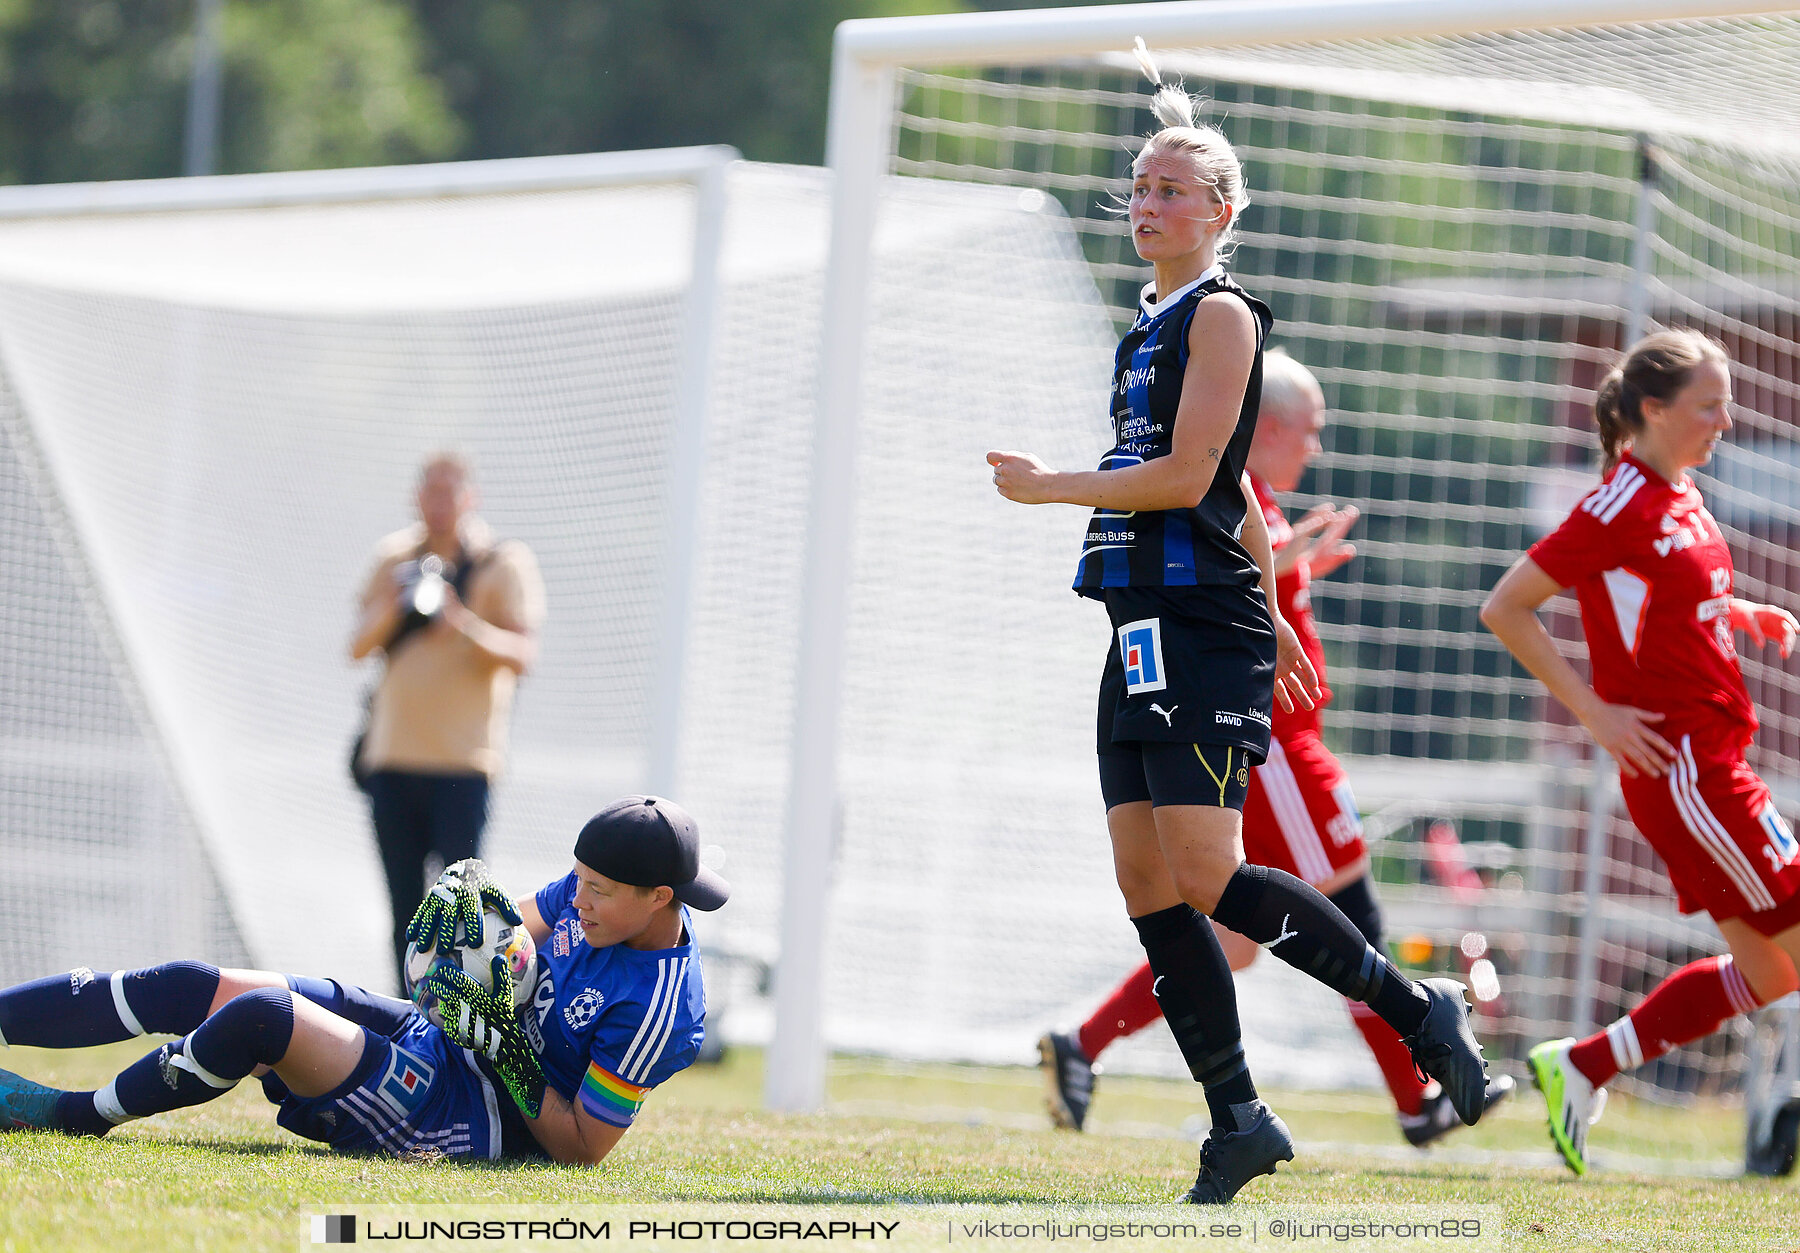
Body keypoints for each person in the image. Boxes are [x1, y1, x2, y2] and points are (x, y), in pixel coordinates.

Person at [985, 49, 1490, 1204]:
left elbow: (1190, 474)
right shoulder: (1146, 328)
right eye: (1139, 187)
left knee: (1211, 873)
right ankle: (1240, 1119)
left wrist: (1054, 486)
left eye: (1171, 190)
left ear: (1220, 213)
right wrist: (1285, 606)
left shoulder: (1219, 316)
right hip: (1142, 623)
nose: (1147, 205)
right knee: (1147, 883)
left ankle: (1418, 1007)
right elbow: (1245, 499)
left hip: (1201, 626)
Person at [1038, 349, 1513, 1147]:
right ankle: (1415, 1092)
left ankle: (1089, 1046)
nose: (1316, 448)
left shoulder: (1246, 493)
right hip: (1278, 746)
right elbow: (1225, 582)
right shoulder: (1218, 475)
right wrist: (1281, 569)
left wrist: (1292, 565)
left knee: (1226, 932)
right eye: (1311, 430)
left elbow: (1242, 576)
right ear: (1272, 423)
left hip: (1268, 733)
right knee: (1345, 913)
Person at [1481, 328, 1800, 1176]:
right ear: (1653, 411)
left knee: (1770, 970)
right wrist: (1594, 713)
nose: (1725, 421)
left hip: (1711, 760)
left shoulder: (1683, 492)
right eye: (1709, 405)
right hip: (1689, 770)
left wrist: (1740, 616)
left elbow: (1666, 599)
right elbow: (1507, 607)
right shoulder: (1615, 504)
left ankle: (1583, 1065)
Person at [0, 795, 726, 1165]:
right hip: (440, 1044)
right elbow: (510, 937)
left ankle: (75, 1116)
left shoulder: (661, 1006)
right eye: (579, 878)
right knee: (189, 983)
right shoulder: (590, 892)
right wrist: (466, 932)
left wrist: (503, 1043)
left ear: (658, 896)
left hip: (470, 1114)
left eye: (599, 889)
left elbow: (581, 1146)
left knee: (265, 1016)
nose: (580, 896)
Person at [350, 451, 546, 989]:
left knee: (461, 913)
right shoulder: (394, 558)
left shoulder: (501, 563)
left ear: (470, 497)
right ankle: (406, 1018)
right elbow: (356, 645)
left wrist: (460, 621)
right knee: (404, 911)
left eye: (449, 490)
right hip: (393, 758)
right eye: (429, 489)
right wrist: (398, 605)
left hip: (464, 763)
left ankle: (461, 1021)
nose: (438, 502)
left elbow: (523, 655)